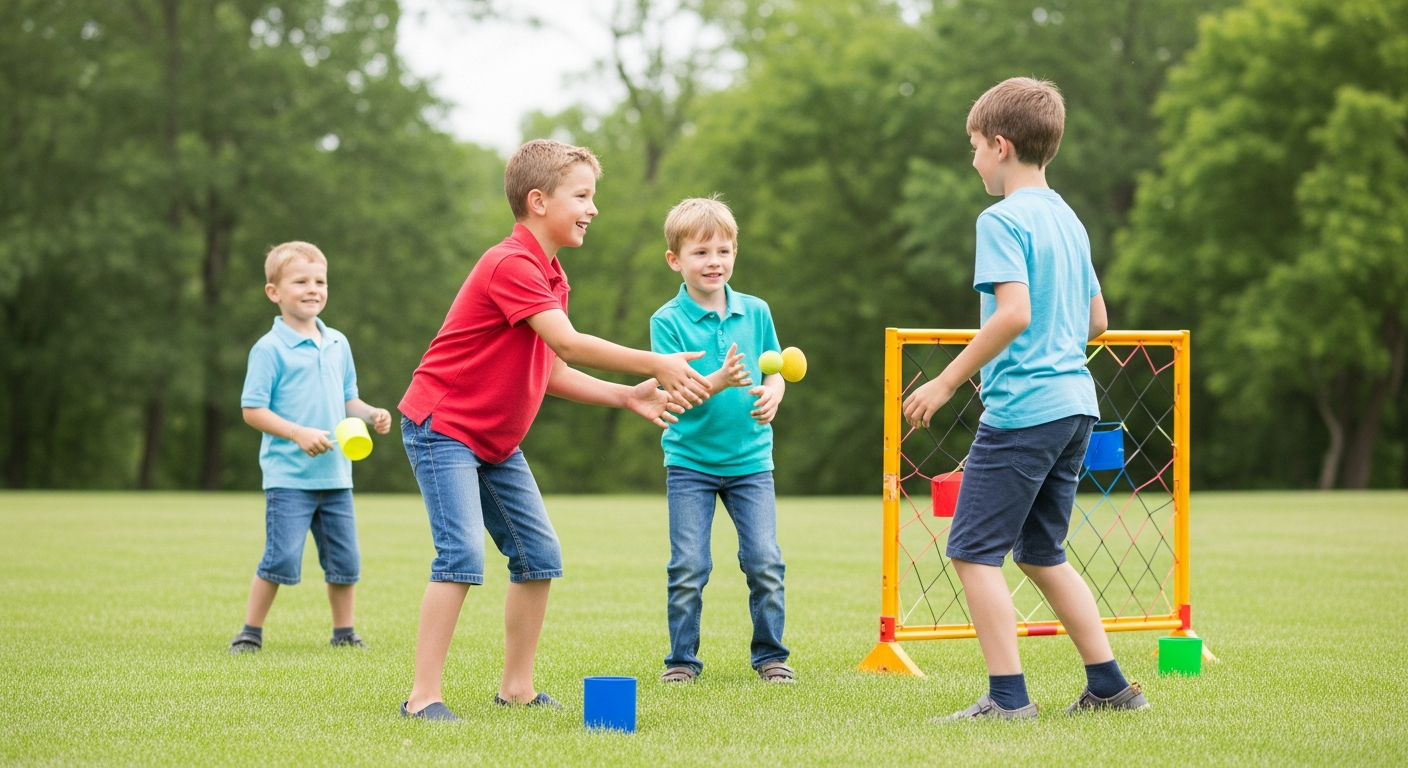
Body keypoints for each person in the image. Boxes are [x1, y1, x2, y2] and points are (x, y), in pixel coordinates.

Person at [396, 139, 713, 721]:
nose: (593, 209)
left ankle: (516, 687)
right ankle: (422, 698)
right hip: (443, 427)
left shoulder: (549, 274)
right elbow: (567, 341)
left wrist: (624, 395)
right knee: (461, 554)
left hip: (494, 442)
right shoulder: (510, 263)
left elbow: (553, 367)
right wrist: (657, 362)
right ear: (538, 201)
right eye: (583, 196)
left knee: (537, 554)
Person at [902, 78, 1147, 720]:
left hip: (1024, 411)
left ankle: (1008, 701)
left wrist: (947, 380)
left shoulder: (1002, 219)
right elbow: (1097, 321)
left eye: (976, 146)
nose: (974, 159)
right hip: (1076, 405)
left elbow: (1012, 313)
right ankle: (1111, 687)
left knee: (971, 551)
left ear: (1002, 145)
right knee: (1041, 553)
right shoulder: (1068, 218)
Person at [650, 197, 794, 684]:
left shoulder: (756, 312)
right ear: (675, 260)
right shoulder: (666, 321)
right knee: (689, 566)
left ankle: (771, 656)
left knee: (765, 562)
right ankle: (682, 661)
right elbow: (678, 392)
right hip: (690, 460)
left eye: (724, 251)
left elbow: (774, 368)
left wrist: (773, 394)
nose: (715, 261)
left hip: (752, 460)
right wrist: (721, 378)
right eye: (701, 252)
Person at [229, 241, 392, 654]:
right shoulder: (269, 349)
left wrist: (370, 412)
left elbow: (346, 400)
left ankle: (344, 633)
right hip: (289, 477)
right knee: (281, 557)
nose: (313, 289)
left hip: (336, 476)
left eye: (319, 281)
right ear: (275, 293)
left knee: (345, 562)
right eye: (300, 281)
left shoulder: (337, 342)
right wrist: (297, 432)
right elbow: (252, 410)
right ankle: (250, 631)